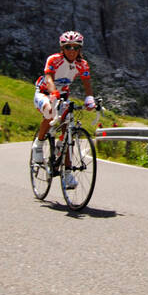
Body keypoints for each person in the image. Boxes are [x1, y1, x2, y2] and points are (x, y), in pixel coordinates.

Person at [31, 31, 96, 192]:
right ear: (62, 48)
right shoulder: (54, 59)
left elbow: (87, 83)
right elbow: (48, 78)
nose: (71, 50)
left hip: (63, 95)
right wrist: (53, 93)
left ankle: (67, 172)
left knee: (68, 132)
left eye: (75, 47)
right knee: (50, 111)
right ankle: (38, 145)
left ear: (80, 49)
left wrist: (89, 98)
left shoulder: (83, 64)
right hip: (45, 92)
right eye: (68, 47)